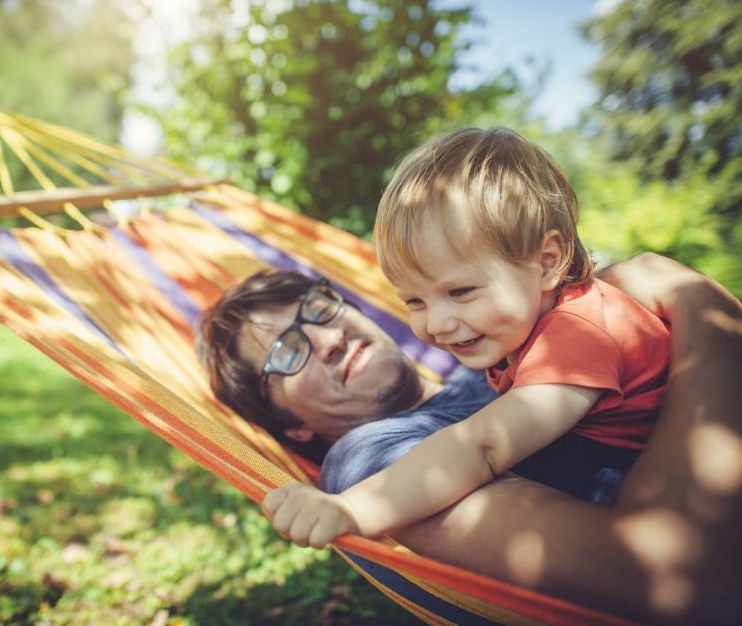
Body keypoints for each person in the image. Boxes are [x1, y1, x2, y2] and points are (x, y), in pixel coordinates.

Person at [198, 254, 742, 623]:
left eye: (316, 309)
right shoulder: (373, 467)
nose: (326, 337)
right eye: (287, 354)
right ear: (293, 425)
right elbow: (680, 576)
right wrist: (697, 302)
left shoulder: (502, 357)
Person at [264, 127, 670, 550]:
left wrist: (353, 509)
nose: (436, 324)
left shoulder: (577, 334)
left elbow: (482, 447)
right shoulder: (533, 325)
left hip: (644, 490)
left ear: (547, 262)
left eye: (460, 292)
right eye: (415, 301)